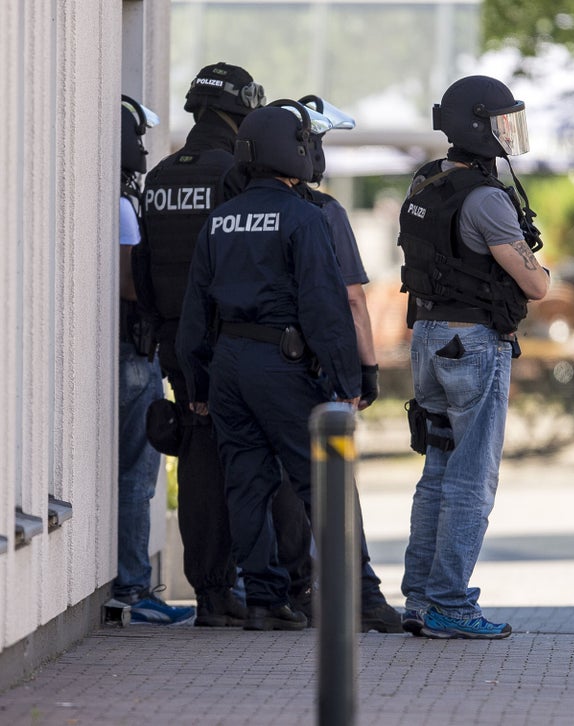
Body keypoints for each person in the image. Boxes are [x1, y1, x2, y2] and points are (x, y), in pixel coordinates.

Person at [175, 101, 362, 631]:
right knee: (321, 482)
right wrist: (346, 380)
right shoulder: (305, 216)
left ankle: (263, 600)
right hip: (281, 363)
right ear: (292, 151)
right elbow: (324, 308)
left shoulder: (219, 220)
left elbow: (196, 311)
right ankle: (357, 595)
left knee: (246, 485)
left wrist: (197, 383)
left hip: (228, 365)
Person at [397, 76, 550, 639]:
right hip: (473, 344)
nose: (508, 134)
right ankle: (450, 604)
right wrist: (539, 265)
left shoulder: (426, 182)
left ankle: (419, 600)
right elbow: (535, 285)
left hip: (427, 336)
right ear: (478, 126)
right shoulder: (486, 199)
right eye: (501, 123)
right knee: (472, 477)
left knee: (437, 470)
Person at [267, 95, 401, 633]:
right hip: (316, 369)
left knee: (275, 481)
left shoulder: (243, 207)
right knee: (331, 484)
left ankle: (291, 590)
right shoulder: (324, 212)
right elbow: (352, 300)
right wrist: (365, 371)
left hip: (253, 365)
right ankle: (361, 595)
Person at [138, 62, 264, 627]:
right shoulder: (234, 173)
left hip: (173, 340)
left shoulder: (161, 175)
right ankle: (247, 589)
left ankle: (211, 593)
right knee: (245, 462)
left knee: (196, 458)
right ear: (242, 110)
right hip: (228, 338)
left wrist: (161, 331)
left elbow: (145, 266)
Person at [115, 95, 194, 625]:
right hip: (134, 353)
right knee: (139, 476)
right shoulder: (123, 205)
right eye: (139, 138)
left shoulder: (123, 199)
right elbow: (128, 283)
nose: (144, 149)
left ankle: (129, 583)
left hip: (126, 352)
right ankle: (132, 588)